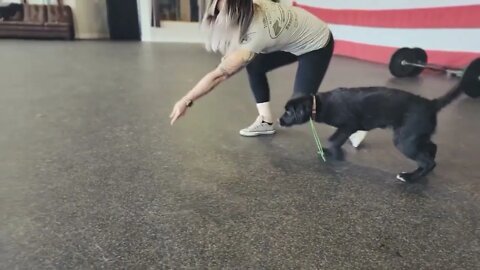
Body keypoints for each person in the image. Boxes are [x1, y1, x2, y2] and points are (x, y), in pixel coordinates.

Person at [169, 0, 367, 147]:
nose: (218, 17)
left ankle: (352, 126)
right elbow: (237, 36)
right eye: (217, 11)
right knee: (255, 66)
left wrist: (186, 100)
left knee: (301, 105)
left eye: (222, 14)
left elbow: (218, 76)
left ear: (238, 14)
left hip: (317, 43)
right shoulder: (251, 6)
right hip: (294, 34)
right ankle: (265, 121)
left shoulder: (255, 36)